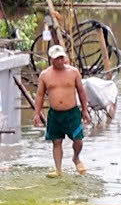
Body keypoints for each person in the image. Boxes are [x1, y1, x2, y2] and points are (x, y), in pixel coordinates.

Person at [37, 44, 87, 176]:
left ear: (64, 58)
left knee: (78, 140)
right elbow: (40, 95)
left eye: (61, 58)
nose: (59, 61)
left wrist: (85, 110)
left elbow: (81, 92)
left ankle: (76, 158)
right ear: (51, 59)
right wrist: (37, 113)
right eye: (56, 59)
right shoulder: (45, 75)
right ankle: (58, 169)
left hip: (72, 112)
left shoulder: (73, 72)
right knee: (57, 141)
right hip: (55, 114)